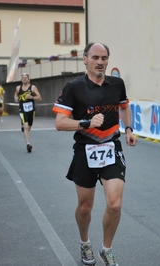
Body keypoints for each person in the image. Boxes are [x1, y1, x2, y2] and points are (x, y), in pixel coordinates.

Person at [52, 42, 138, 266]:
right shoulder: (74, 87)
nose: (100, 62)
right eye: (95, 57)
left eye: (104, 58)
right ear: (85, 59)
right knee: (85, 207)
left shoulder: (117, 84)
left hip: (111, 146)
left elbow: (124, 107)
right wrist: (86, 123)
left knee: (115, 204)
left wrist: (128, 130)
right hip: (85, 149)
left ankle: (106, 249)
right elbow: (59, 123)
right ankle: (85, 243)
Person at [14, 73, 42, 152]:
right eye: (23, 77)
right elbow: (16, 94)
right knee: (26, 126)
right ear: (21, 80)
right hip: (22, 110)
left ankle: (24, 127)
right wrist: (16, 98)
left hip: (31, 110)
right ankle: (28, 144)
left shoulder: (32, 87)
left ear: (29, 79)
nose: (24, 79)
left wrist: (32, 97)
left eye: (26, 78)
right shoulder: (18, 88)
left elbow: (40, 98)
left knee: (28, 127)